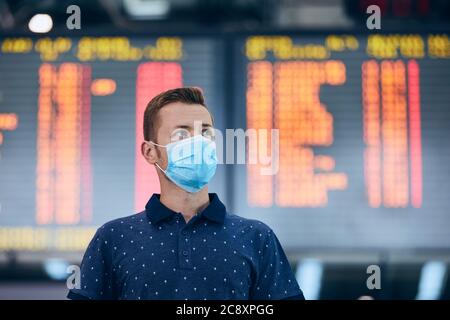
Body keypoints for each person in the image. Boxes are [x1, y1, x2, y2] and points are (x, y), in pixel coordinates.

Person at [67, 87, 304, 300]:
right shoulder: (113, 238)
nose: (198, 143)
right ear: (150, 152)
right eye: (181, 135)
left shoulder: (257, 238)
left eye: (206, 134)